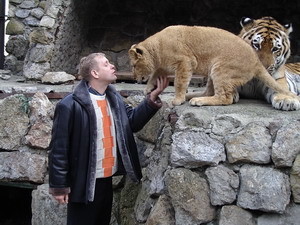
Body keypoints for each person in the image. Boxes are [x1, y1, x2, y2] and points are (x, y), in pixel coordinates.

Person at [48, 52, 169, 225]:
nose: (112, 66)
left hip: (106, 180)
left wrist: (152, 97)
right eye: (106, 64)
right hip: (83, 184)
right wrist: (59, 187)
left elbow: (132, 122)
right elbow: (59, 149)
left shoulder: (114, 100)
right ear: (95, 74)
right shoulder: (69, 105)